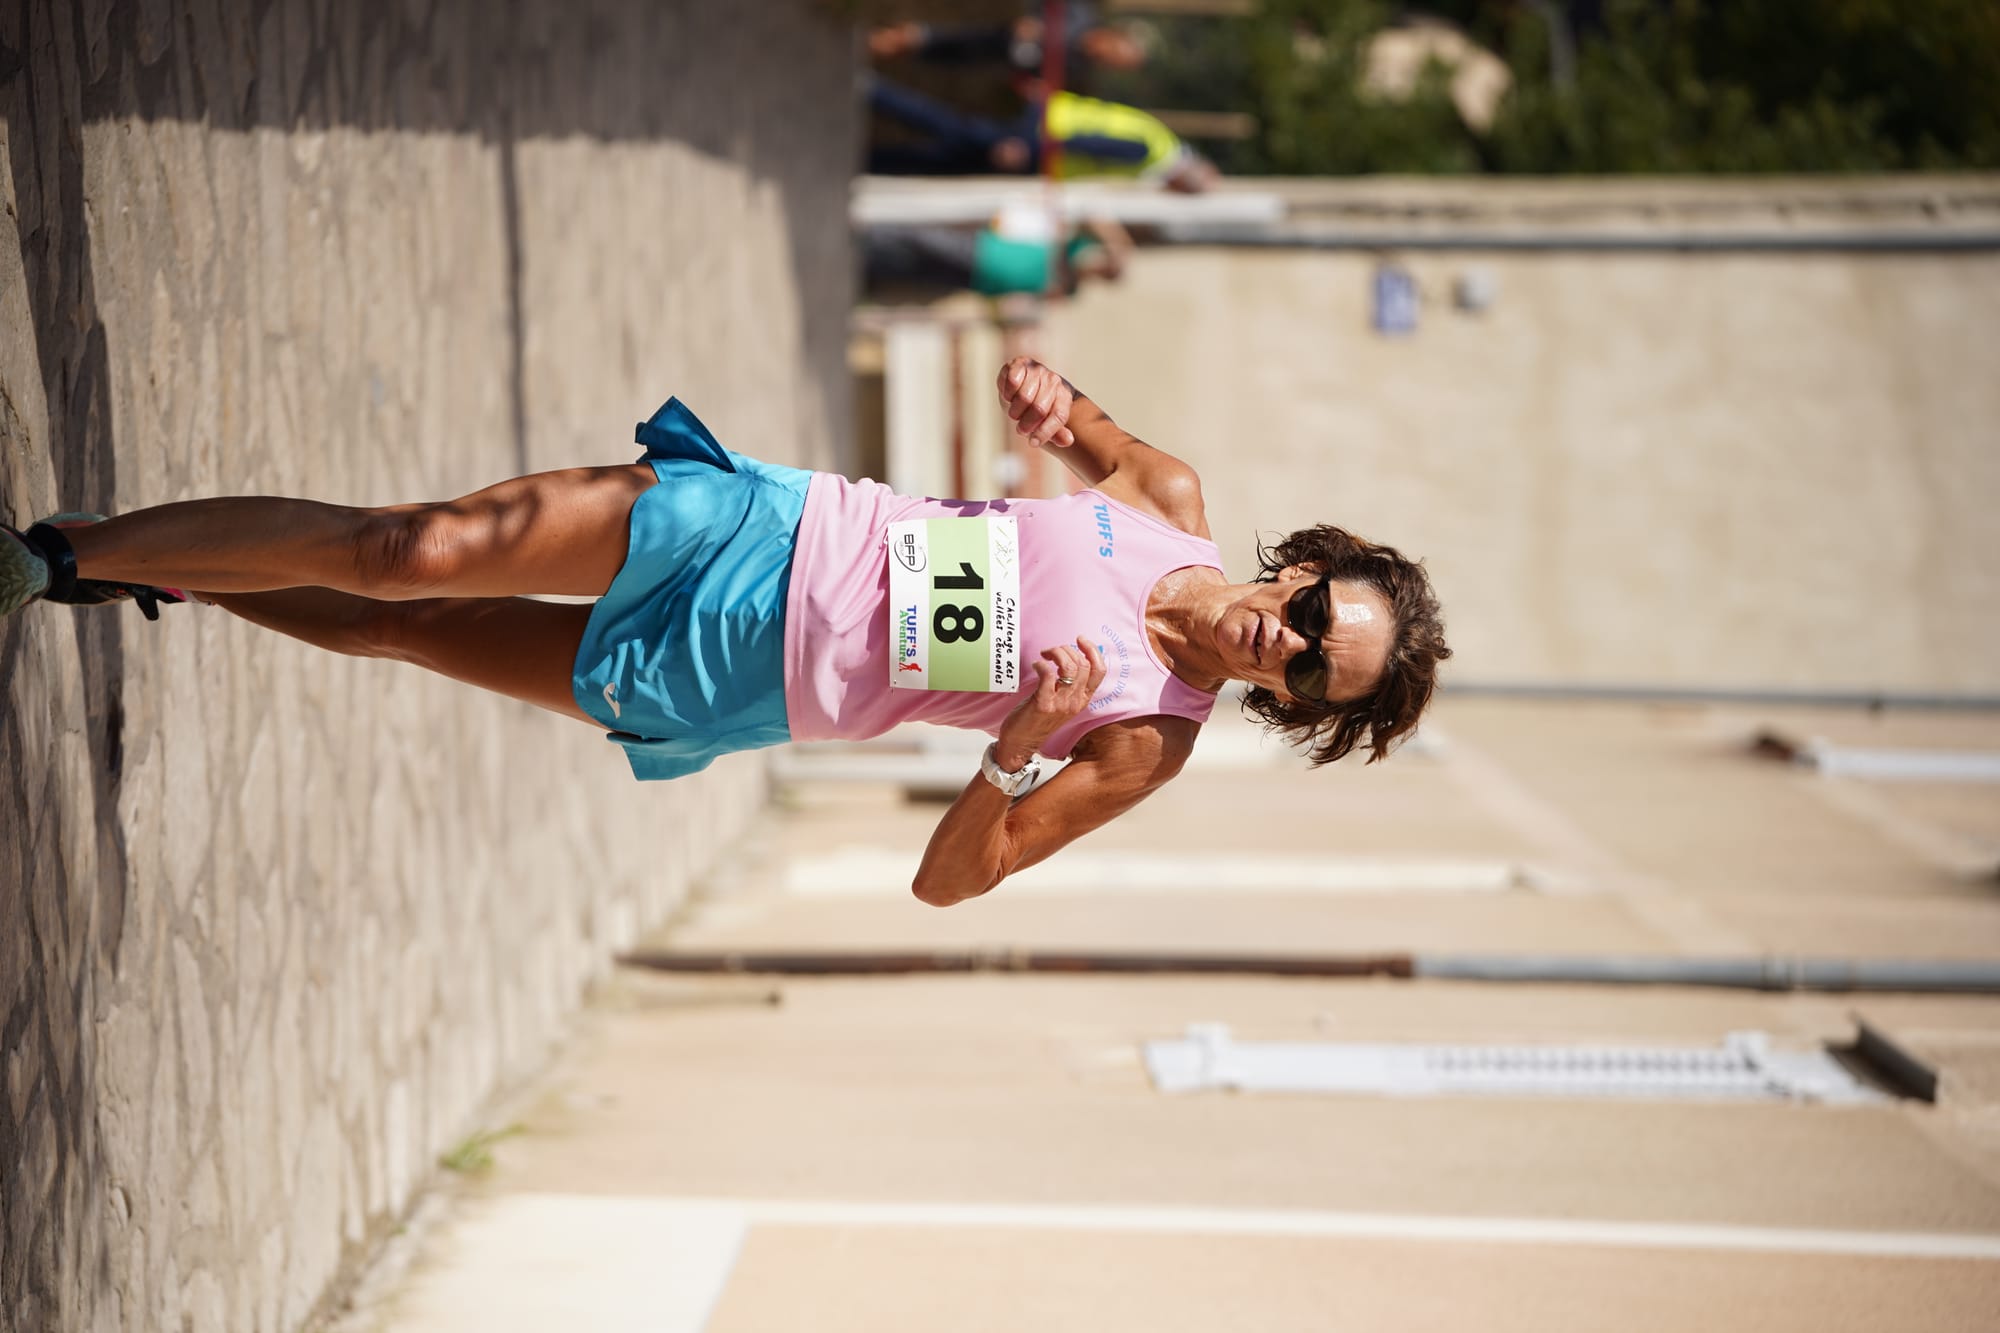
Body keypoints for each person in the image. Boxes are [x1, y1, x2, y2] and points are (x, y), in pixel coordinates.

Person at [2, 360, 1449, 905]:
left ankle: (182, 576)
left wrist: (1015, 747)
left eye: (1319, 668)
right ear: (1311, 562)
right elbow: (1072, 419)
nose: (1297, 638)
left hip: (743, 676)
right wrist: (1042, 401)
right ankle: (63, 548)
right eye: (1320, 609)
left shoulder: (1145, 742)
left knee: (414, 629)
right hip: (767, 530)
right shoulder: (1171, 496)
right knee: (411, 549)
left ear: (1303, 703)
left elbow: (953, 887)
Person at [867, 81, 1218, 192]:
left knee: (950, 158)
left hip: (1041, 134)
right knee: (948, 128)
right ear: (1182, 183)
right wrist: (1029, 146)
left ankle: (871, 159)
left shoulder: (1160, 140)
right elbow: (1084, 143)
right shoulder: (1148, 153)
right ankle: (876, 93)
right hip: (1036, 141)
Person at [863, 206, 1134, 303]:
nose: (1100, 270)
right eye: (1105, 266)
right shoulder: (1075, 245)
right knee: (925, 242)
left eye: (1105, 274)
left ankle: (872, 260)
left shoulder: (1071, 288)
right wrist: (1119, 243)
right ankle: (874, 234)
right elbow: (1096, 214)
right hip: (988, 251)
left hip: (983, 283)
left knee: (920, 270)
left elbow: (1040, 299)